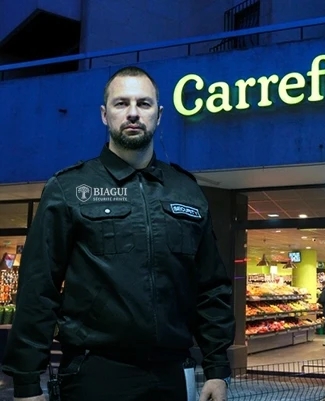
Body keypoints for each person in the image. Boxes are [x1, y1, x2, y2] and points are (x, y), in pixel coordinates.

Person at [1, 66, 235, 401]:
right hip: (95, 374)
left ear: (159, 115)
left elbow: (211, 286)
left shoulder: (186, 190)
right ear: (104, 114)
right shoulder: (69, 188)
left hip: (171, 374)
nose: (133, 113)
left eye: (144, 103)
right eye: (121, 103)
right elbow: (39, 287)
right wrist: (26, 382)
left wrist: (216, 368)